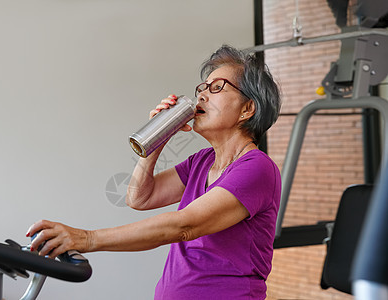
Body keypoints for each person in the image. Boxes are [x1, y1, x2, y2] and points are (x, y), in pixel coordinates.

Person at [27, 44, 282, 299]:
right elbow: (140, 198)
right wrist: (157, 139)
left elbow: (185, 225)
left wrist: (88, 239)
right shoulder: (202, 162)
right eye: (202, 88)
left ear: (247, 109)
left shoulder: (257, 168)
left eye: (217, 88)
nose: (202, 95)